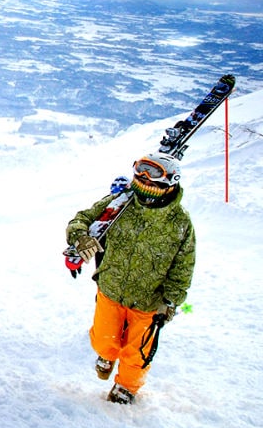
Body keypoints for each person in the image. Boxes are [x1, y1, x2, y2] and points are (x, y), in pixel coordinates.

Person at [65, 152, 195, 405]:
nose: (144, 178)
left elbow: (184, 264)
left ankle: (126, 385)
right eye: (141, 170)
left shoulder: (179, 222)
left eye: (153, 173)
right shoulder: (120, 203)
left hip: (149, 300)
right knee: (104, 338)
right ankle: (106, 354)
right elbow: (81, 219)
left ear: (170, 181)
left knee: (139, 351)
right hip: (111, 288)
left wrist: (171, 300)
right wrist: (80, 237)